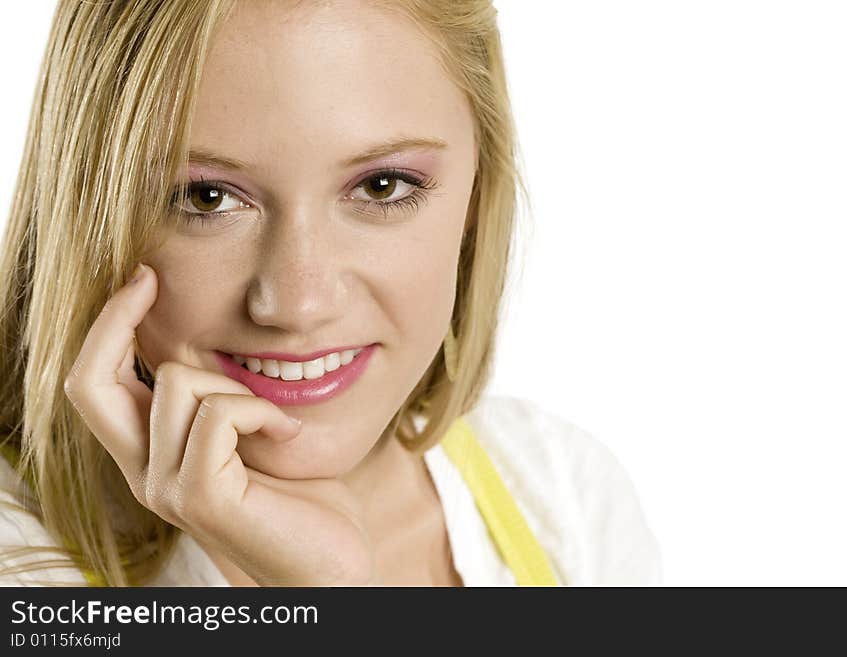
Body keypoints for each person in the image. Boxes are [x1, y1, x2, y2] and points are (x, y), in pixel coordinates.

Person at [0, 0, 661, 587]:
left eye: (382, 187)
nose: (298, 303)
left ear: (476, 195)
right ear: (84, 209)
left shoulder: (567, 498)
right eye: (207, 198)